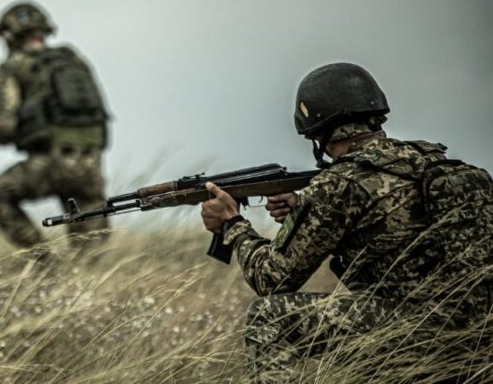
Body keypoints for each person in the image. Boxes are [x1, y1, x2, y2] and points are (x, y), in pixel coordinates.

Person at [200, 63, 493, 382]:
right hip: (480, 334)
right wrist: (303, 209)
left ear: (315, 130)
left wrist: (233, 224)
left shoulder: (339, 184)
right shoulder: (427, 163)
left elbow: (271, 280)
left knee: (268, 317)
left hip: (422, 334)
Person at [0, 1, 110, 256]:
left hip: (50, 162)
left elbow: (4, 126)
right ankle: (84, 284)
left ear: (9, 35)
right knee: (88, 253)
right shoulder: (73, 61)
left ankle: (44, 262)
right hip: (91, 163)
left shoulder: (12, 67)